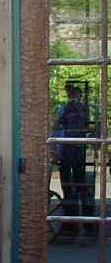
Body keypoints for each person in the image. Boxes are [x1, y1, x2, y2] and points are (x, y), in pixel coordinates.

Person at [51, 83, 90, 235]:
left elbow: (55, 127)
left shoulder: (71, 109)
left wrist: (54, 148)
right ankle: (78, 225)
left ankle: (76, 225)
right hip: (73, 152)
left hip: (71, 152)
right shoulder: (79, 109)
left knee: (72, 187)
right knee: (75, 187)